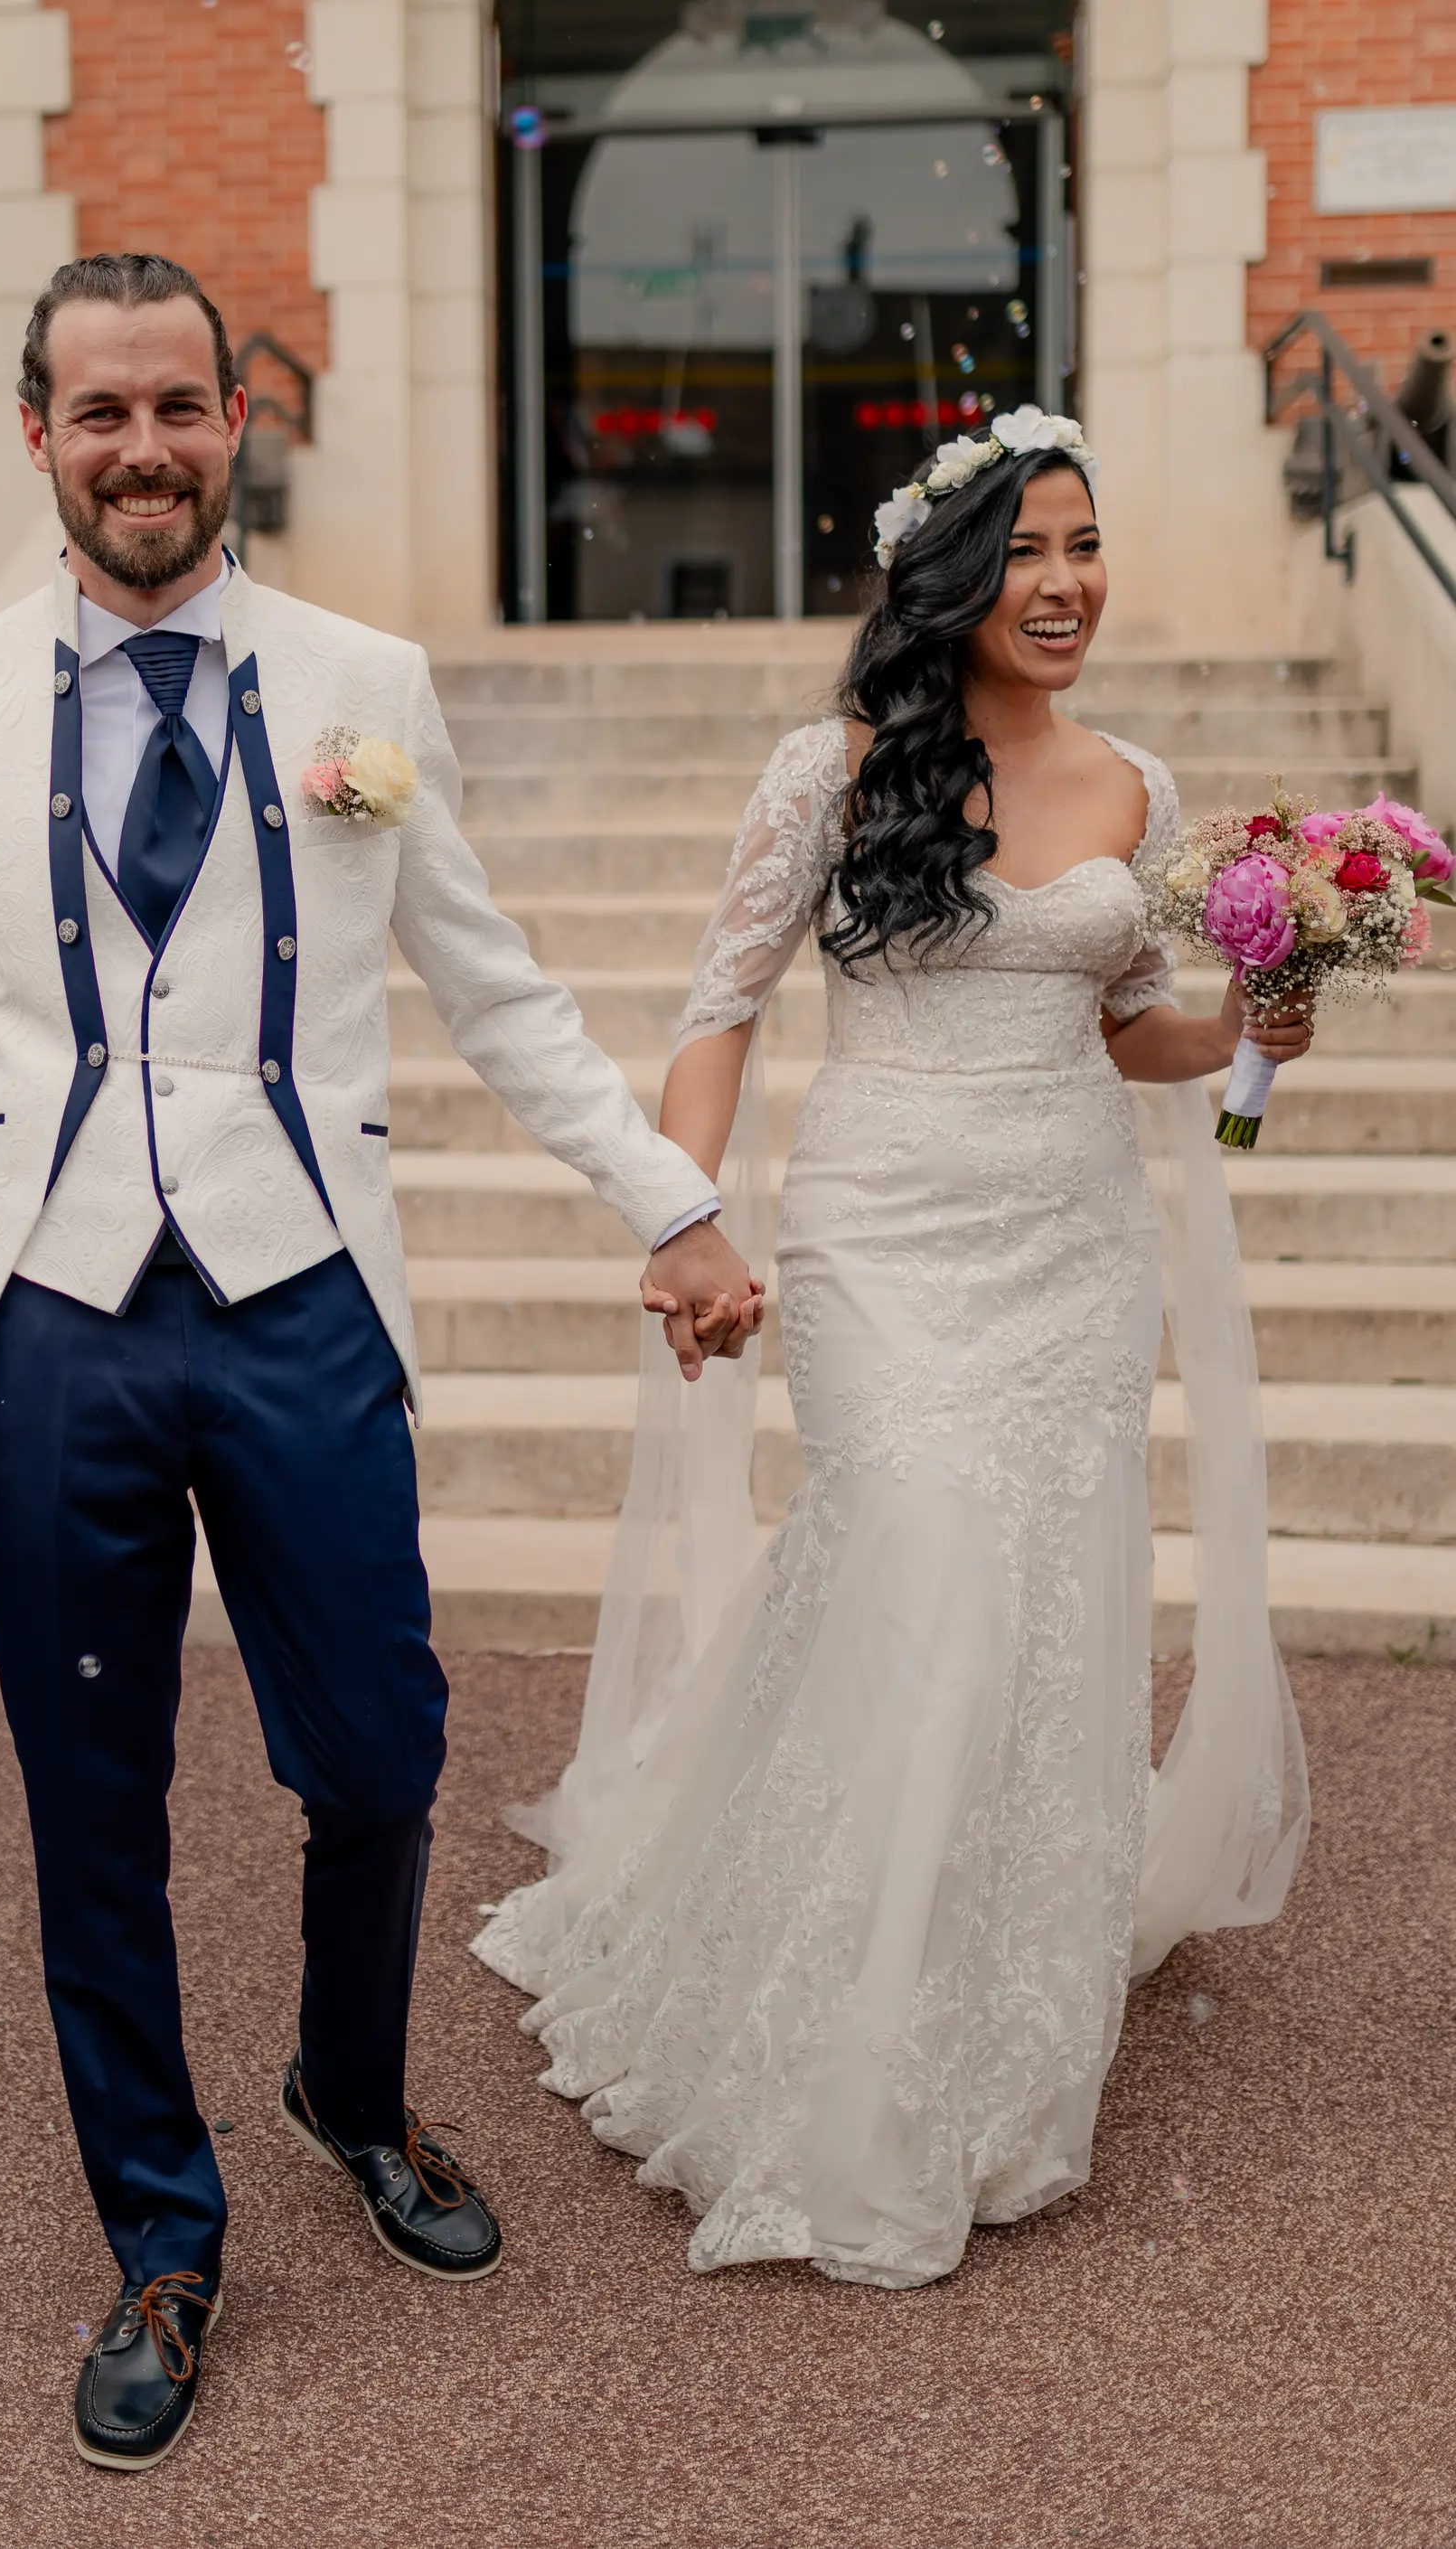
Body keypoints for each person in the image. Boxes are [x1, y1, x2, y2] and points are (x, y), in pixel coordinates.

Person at [0, 251, 758, 2470]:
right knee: (93, 1808)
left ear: (235, 418)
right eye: (100, 412)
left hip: (302, 1292)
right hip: (51, 1319)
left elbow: (497, 990)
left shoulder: (364, 685)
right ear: (38, 435)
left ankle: (350, 2083)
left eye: (179, 405)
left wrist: (671, 1199)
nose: (142, 447)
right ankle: (163, 2235)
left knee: (378, 1749)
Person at [474, 412, 1313, 2290]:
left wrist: (1260, 1034)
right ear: (949, 578)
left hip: (1073, 1251)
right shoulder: (834, 770)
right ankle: (819, 2028)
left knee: (1031, 1609)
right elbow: (721, 1010)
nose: (1066, 584)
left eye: (1085, 546)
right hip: (882, 1241)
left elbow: (1142, 1034)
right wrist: (682, 1217)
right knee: (921, 1559)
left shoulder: (1139, 790)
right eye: (1027, 551)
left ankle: (978, 2002)